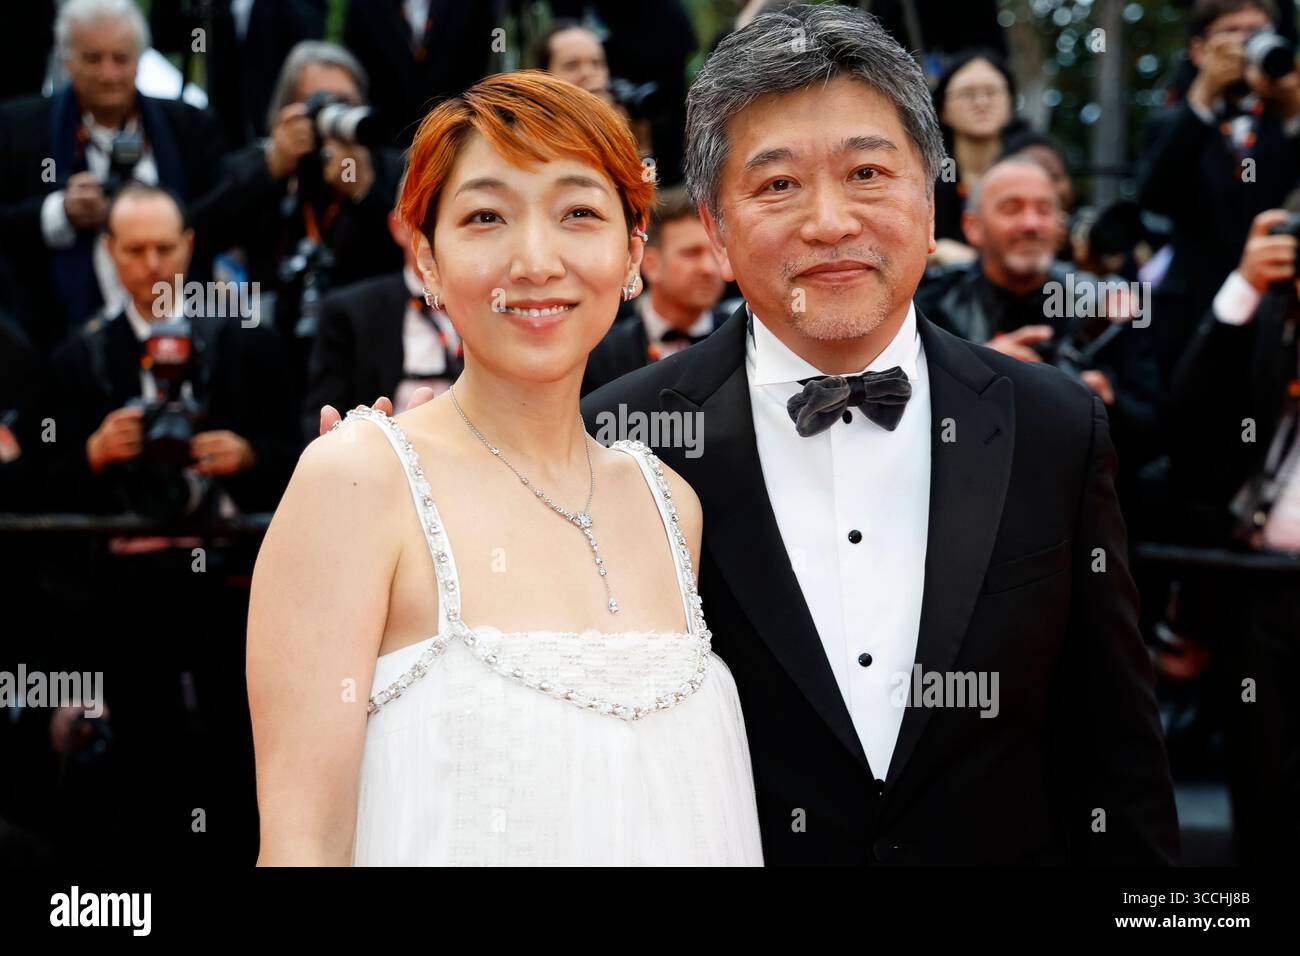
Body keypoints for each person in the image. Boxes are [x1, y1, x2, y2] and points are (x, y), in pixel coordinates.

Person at [332, 4, 1179, 867]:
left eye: (867, 174)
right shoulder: (616, 445)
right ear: (715, 226)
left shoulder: (1054, 426)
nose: (829, 222)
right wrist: (383, 485)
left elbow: (1118, 762)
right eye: (777, 185)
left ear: (931, 197)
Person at [251, 71, 763, 866]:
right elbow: (300, 847)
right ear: (426, 254)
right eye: (486, 216)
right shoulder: (356, 482)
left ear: (633, 252)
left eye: (578, 214)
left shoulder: (670, 504)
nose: (534, 260)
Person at [0, 0, 236, 351]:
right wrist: (59, 213)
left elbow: (222, 218)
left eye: (121, 58)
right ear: (67, 59)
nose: (108, 73)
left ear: (141, 59)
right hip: (56, 343)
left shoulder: (189, 125)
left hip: (180, 337)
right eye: (93, 58)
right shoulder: (17, 128)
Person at [1138, 0, 1300, 377]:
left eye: (1258, 32)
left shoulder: (1285, 119)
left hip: (1278, 308)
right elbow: (1156, 196)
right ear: (1198, 49)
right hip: (1193, 312)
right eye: (1233, 33)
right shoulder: (1173, 123)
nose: (1247, 44)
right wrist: (1204, 94)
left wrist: (1293, 108)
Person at [302, 172, 462, 443]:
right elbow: (317, 421)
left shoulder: (503, 304)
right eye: (424, 219)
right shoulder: (351, 312)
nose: (436, 235)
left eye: (456, 219)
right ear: (398, 227)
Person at [581, 187, 728, 395]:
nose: (709, 268)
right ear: (651, 265)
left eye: (715, 253)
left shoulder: (746, 339)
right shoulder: (599, 353)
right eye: (691, 253)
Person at [928, 49, 1025, 265]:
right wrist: (937, 252)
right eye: (967, 94)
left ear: (1010, 102)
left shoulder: (1034, 167)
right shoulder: (926, 174)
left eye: (991, 92)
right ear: (943, 108)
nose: (981, 103)